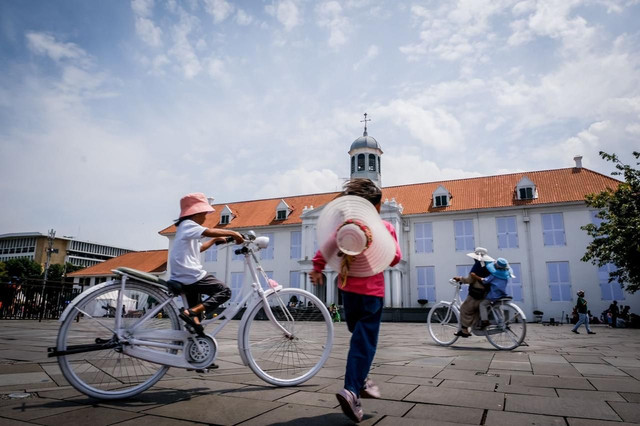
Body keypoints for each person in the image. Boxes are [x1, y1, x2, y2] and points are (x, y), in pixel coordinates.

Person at [310, 179, 402, 423]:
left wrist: (317, 268)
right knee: (364, 342)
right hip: (372, 294)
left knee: (356, 333)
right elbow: (395, 258)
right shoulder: (384, 228)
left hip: (347, 291)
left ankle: (361, 381)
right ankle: (352, 389)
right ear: (377, 206)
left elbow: (325, 249)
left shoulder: (346, 228)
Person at [169, 192, 244, 336]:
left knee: (196, 324)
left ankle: (193, 326)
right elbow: (209, 231)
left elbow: (200, 248)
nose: (205, 217)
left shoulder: (184, 229)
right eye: (204, 214)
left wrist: (215, 241)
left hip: (183, 276)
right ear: (196, 213)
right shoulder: (188, 224)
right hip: (190, 275)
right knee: (224, 291)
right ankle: (191, 312)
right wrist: (233, 233)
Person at [452, 247, 494, 338]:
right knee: (475, 309)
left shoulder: (477, 265)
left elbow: (470, 279)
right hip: (485, 293)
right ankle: (475, 324)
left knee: (464, 308)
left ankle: (464, 330)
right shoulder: (489, 265)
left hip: (476, 294)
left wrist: (460, 279)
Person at [472, 257, 512, 328]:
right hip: (502, 294)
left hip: (494, 295)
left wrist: (476, 276)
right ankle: (501, 320)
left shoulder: (494, 275)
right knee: (496, 306)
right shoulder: (505, 275)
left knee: (482, 304)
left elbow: (485, 281)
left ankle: (485, 321)